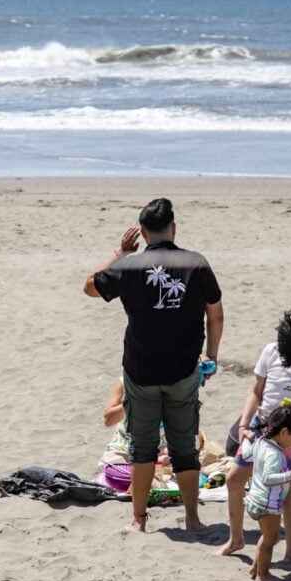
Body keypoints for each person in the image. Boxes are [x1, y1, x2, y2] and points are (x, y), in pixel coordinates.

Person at [84, 197, 224, 533]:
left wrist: (120, 253)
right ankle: (192, 518)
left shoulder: (129, 266)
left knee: (142, 447)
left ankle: (139, 519)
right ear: (173, 229)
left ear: (143, 233)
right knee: (183, 448)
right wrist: (212, 357)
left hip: (141, 371)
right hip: (183, 371)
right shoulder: (197, 264)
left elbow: (90, 287)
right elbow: (215, 314)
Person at [216, 309, 291, 566]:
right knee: (234, 479)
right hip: (262, 427)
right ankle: (236, 539)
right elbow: (256, 391)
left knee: (287, 493)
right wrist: (244, 425)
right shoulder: (270, 351)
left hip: (290, 437)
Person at [243, 404, 291, 581]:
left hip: (255, 500)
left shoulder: (260, 441)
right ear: (284, 433)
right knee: (270, 540)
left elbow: (246, 455)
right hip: (267, 505)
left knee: (265, 536)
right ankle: (262, 575)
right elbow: (268, 478)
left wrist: (247, 438)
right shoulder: (274, 453)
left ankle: (255, 567)